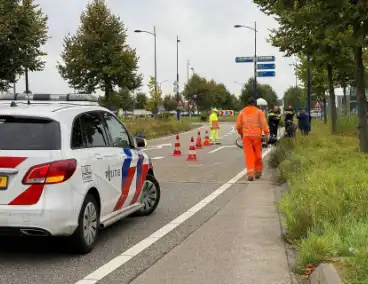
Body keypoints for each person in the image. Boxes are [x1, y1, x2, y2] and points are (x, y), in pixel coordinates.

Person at [236, 98, 270, 181]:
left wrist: (241, 133)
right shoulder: (259, 112)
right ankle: (258, 172)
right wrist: (266, 133)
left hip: (246, 136)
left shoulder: (242, 112)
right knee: (258, 154)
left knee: (249, 155)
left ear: (247, 104)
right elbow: (264, 124)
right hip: (257, 136)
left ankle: (250, 174)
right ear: (255, 104)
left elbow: (238, 126)